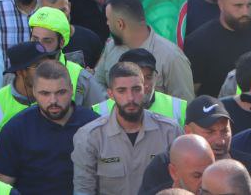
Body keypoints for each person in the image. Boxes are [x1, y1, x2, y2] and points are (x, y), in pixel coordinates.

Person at [0, 59, 98, 195]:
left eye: (61, 92)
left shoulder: (94, 126)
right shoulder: (15, 130)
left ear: (71, 89)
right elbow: (2, 187)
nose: (53, 101)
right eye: (45, 93)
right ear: (34, 91)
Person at [72, 61, 183, 195]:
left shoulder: (170, 131)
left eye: (136, 89)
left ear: (145, 89)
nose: (130, 98)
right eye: (121, 91)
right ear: (111, 94)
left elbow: (183, 183)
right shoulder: (90, 137)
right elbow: (84, 190)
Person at [97, 0, 196, 101]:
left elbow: (185, 106)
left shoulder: (172, 57)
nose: (107, 24)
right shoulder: (111, 47)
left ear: (120, 24)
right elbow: (97, 83)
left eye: (108, 19)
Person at [185, 0, 251, 97]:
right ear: (221, 5)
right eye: (238, 6)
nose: (245, 12)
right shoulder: (199, 41)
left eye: (249, 5)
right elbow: (192, 91)